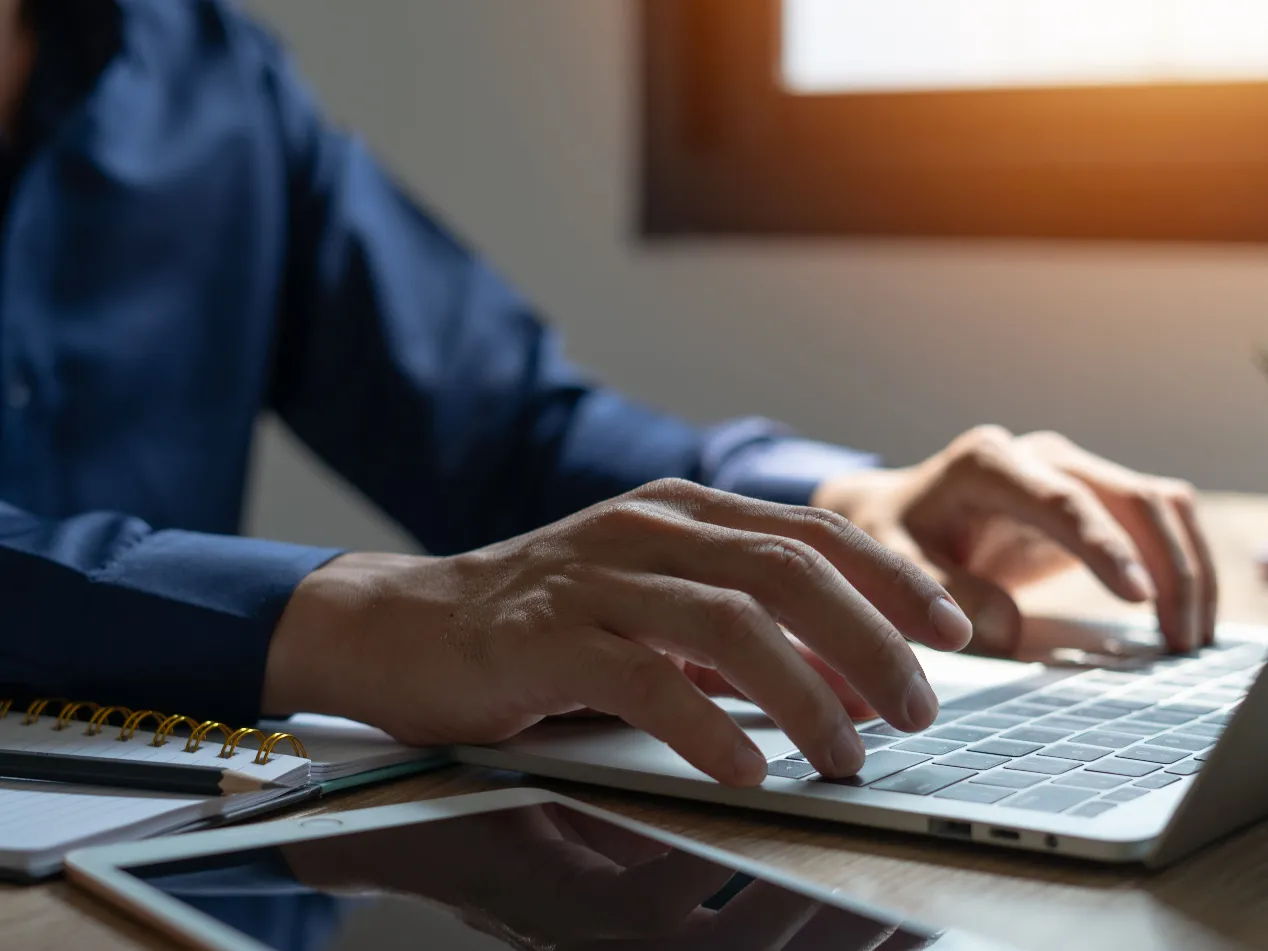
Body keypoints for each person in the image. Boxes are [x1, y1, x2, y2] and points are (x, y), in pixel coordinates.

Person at [0, 0, 1217, 789]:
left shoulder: (207, 73)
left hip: (200, 873)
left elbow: (501, 426)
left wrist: (844, 502)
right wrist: (356, 619)